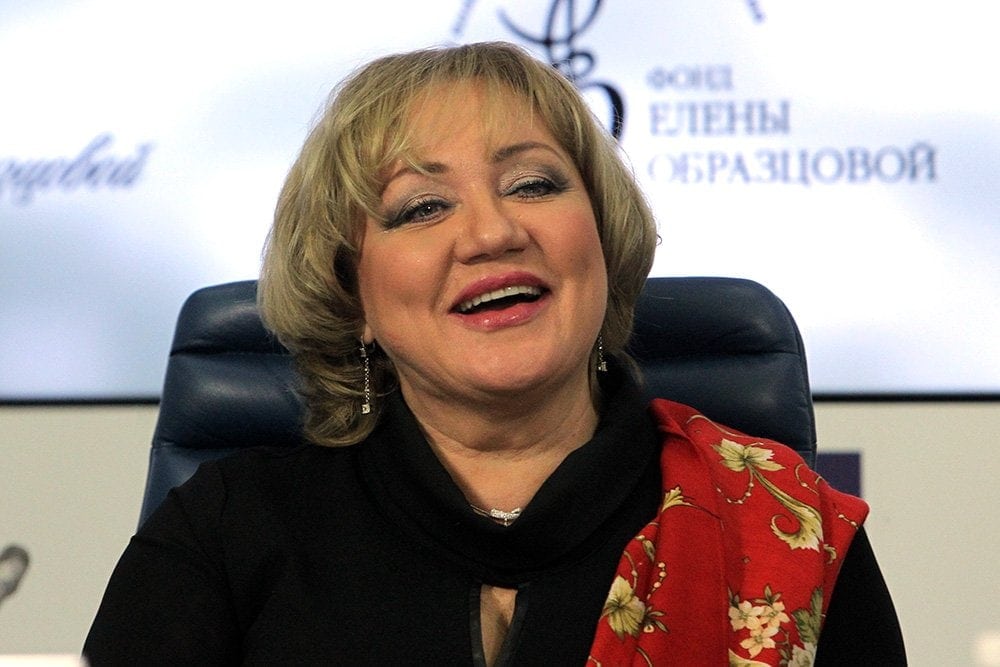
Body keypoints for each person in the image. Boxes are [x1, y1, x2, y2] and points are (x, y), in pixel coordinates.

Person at [84, 42, 905, 665]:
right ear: (351, 295)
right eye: (423, 206)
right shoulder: (222, 533)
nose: (492, 232)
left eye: (533, 184)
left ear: (602, 238)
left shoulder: (786, 532)